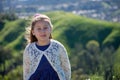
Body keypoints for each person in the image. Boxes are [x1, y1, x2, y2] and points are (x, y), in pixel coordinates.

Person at [23, 13, 71, 80]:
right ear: (33, 32)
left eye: (45, 28)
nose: (42, 31)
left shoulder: (58, 47)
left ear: (50, 29)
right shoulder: (29, 49)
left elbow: (66, 67)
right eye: (39, 29)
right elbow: (26, 71)